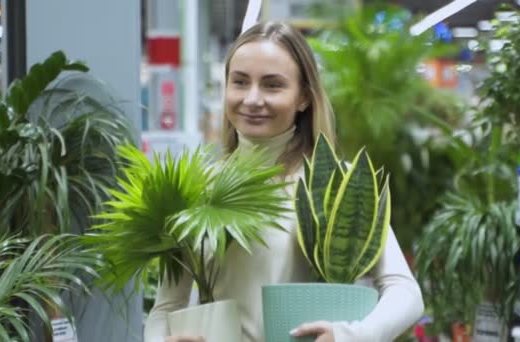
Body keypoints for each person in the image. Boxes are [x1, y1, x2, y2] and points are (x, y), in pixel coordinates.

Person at [144, 21, 424, 342]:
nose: (252, 98)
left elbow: (406, 292)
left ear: (303, 97)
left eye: (272, 85)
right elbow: (166, 306)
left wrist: (351, 336)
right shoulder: (196, 188)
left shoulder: (336, 185)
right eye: (239, 82)